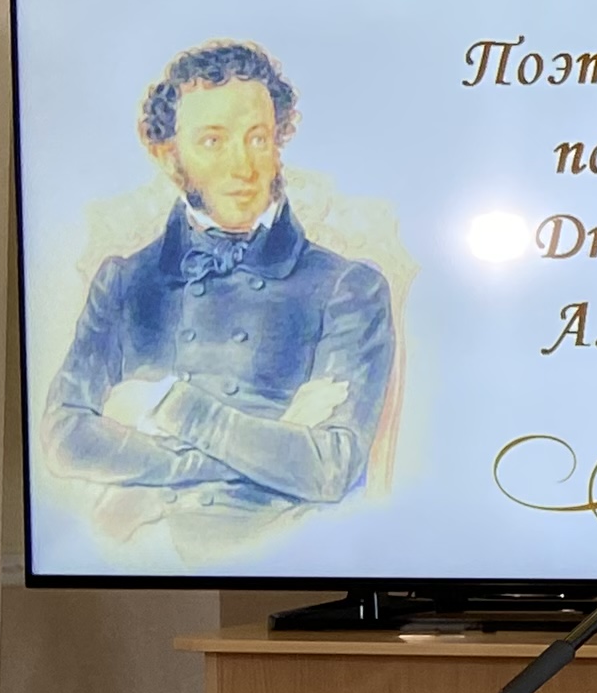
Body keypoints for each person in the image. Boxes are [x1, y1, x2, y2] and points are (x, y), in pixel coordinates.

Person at [38, 38, 397, 563]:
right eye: (213, 141)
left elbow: (329, 467)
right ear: (169, 155)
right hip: (138, 555)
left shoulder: (348, 288)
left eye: (258, 139)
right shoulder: (124, 282)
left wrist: (166, 404)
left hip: (289, 550)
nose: (243, 167)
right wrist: (261, 449)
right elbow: (63, 437)